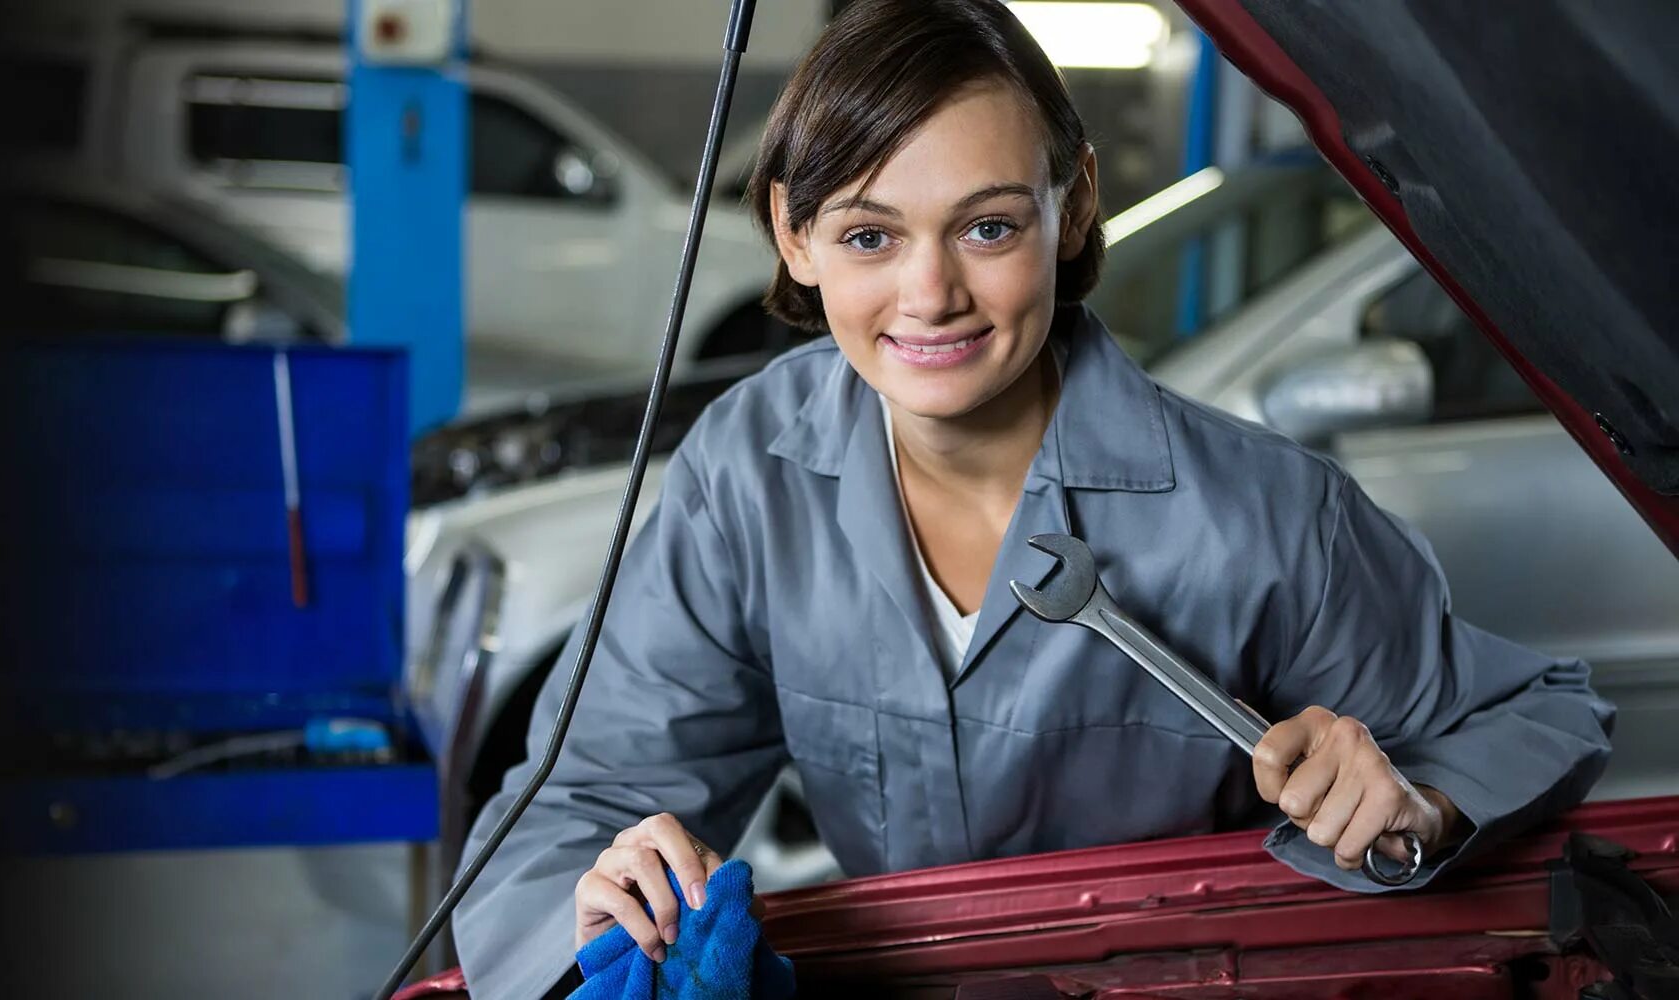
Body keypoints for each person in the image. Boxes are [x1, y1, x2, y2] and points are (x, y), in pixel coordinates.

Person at [451, 1, 1615, 996]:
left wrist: (1413, 807)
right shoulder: (745, 477)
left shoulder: (1263, 514)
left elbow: (1535, 714)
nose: (930, 295)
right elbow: (581, 793)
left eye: (988, 226)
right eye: (867, 234)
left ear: (1072, 208)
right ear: (792, 237)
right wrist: (598, 908)